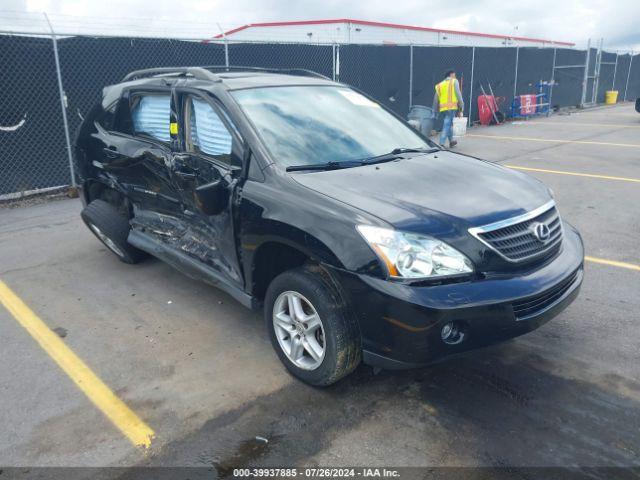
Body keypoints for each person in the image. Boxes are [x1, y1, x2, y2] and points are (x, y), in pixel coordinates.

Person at [433, 69, 464, 148]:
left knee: (448, 124)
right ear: (451, 75)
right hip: (451, 108)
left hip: (443, 109)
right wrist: (461, 106)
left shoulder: (439, 85)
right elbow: (458, 94)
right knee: (447, 124)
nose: (455, 76)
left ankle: (451, 141)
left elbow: (436, 99)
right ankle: (441, 143)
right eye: (454, 75)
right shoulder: (454, 81)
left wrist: (434, 111)